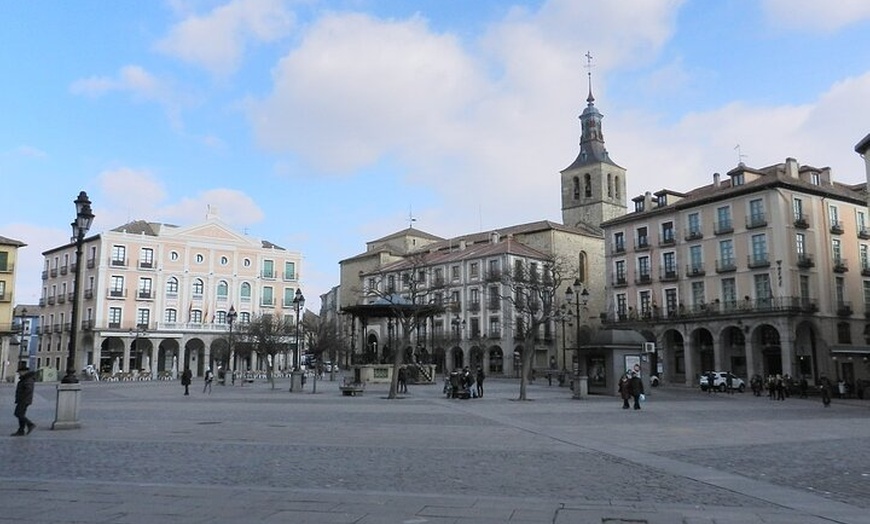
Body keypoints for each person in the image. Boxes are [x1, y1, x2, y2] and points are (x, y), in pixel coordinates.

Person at [11, 364, 37, 436]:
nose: (19, 373)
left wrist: (22, 397)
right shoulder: (25, 378)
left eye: (20, 372)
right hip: (23, 399)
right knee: (21, 414)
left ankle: (30, 424)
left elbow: (28, 389)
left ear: (24, 372)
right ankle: (21, 430)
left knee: (18, 414)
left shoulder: (27, 379)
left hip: (24, 400)